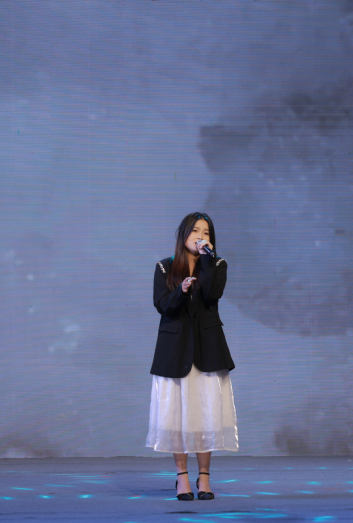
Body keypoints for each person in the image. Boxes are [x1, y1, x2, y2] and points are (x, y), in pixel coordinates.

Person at [146, 212, 238, 501]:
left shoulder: (218, 264)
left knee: (206, 415)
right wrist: (182, 291)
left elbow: (212, 294)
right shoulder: (165, 267)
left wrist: (208, 260)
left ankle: (205, 477)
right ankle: (182, 476)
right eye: (196, 231)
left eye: (206, 233)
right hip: (175, 350)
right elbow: (162, 306)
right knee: (176, 416)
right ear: (183, 234)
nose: (201, 237)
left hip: (207, 348)